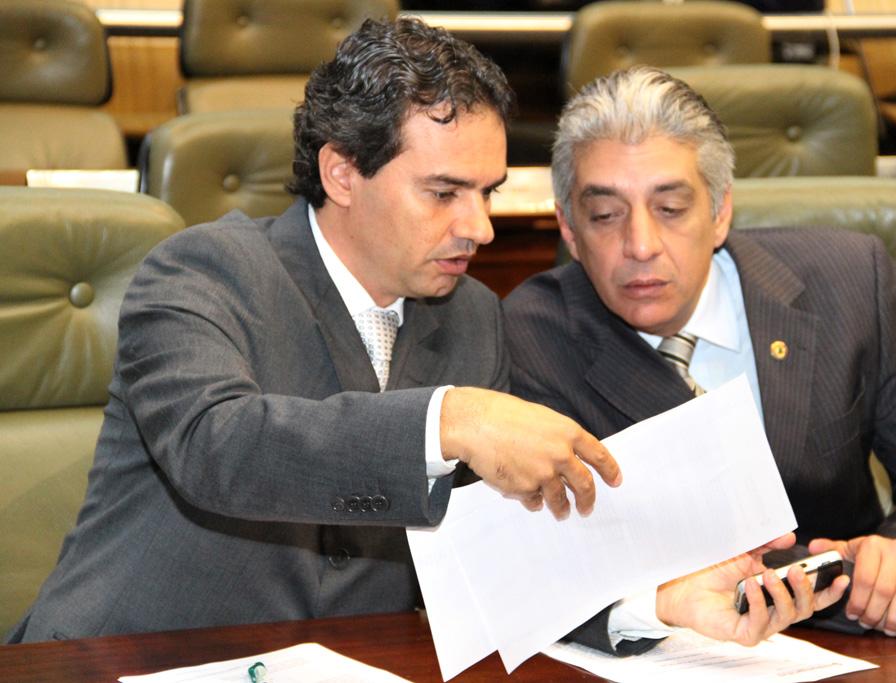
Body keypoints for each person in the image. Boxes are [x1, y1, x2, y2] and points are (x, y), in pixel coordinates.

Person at [7, 21, 834, 650]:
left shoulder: (470, 318)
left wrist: (654, 604)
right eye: (444, 193)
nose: (479, 226)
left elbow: (489, 555)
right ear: (342, 172)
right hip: (119, 659)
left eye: (487, 191)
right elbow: (218, 447)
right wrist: (448, 421)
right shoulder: (202, 271)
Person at [503, 65, 896, 652]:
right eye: (605, 215)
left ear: (720, 211)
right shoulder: (534, 335)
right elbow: (569, 556)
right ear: (569, 229)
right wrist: (853, 582)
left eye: (671, 208)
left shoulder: (850, 284)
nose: (640, 245)